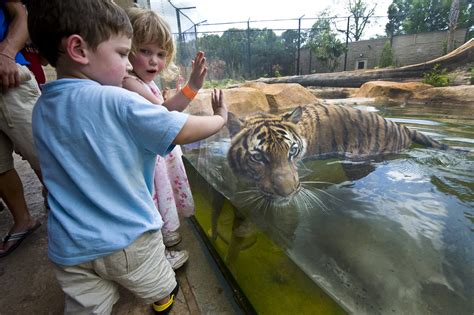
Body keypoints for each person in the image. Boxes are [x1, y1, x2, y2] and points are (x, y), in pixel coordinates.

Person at [26, 0, 227, 314]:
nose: (128, 63)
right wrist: (220, 119)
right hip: (128, 238)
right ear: (79, 49)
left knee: (88, 307)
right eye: (122, 53)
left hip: (69, 245)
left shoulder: (41, 107)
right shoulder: (116, 98)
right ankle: (163, 303)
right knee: (161, 286)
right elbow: (180, 130)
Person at [123, 7, 200, 270]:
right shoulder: (128, 82)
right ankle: (157, 259)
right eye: (145, 51)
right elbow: (164, 112)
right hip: (146, 161)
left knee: (161, 198)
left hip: (156, 155)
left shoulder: (144, 82)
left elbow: (163, 106)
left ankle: (166, 234)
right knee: (152, 202)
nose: (154, 61)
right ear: (127, 49)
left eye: (160, 54)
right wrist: (192, 89)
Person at [0, 0, 42, 258]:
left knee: (43, 152)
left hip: (7, 76)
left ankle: (73, 211)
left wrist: (6, 52)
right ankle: (22, 218)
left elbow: (20, 12)